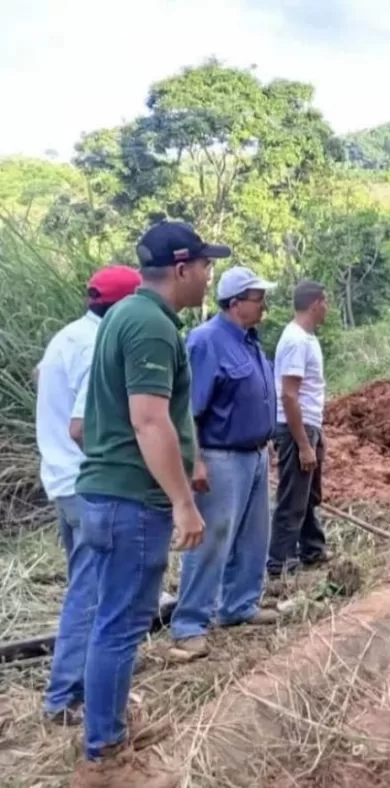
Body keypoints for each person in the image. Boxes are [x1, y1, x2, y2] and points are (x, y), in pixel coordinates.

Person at [71, 220, 226, 788]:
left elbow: (87, 423)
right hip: (131, 501)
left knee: (114, 617)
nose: (210, 275)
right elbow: (148, 419)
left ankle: (107, 729)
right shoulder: (151, 329)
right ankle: (105, 756)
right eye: (206, 265)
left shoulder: (124, 317)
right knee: (120, 623)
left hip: (114, 492)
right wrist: (182, 501)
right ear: (182, 269)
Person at [36, 265, 142, 726]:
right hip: (87, 484)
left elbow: (42, 378)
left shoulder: (68, 336)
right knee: (93, 592)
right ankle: (66, 697)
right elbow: (83, 427)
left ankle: (71, 688)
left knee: (85, 587)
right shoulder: (99, 345)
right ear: (121, 308)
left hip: (60, 479)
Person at [169, 267, 280, 663]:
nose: (264, 304)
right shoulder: (206, 342)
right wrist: (195, 460)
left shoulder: (250, 341)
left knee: (253, 537)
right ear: (236, 303)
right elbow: (187, 410)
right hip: (220, 456)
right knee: (213, 539)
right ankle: (189, 625)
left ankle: (240, 606)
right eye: (257, 298)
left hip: (254, 453)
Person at [266, 280, 330, 577]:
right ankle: (279, 563)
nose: (327, 308)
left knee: (308, 495)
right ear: (315, 303)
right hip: (297, 427)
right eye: (325, 302)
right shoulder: (295, 340)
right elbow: (289, 395)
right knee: (293, 498)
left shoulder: (307, 338)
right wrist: (303, 443)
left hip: (309, 424)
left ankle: (311, 549)